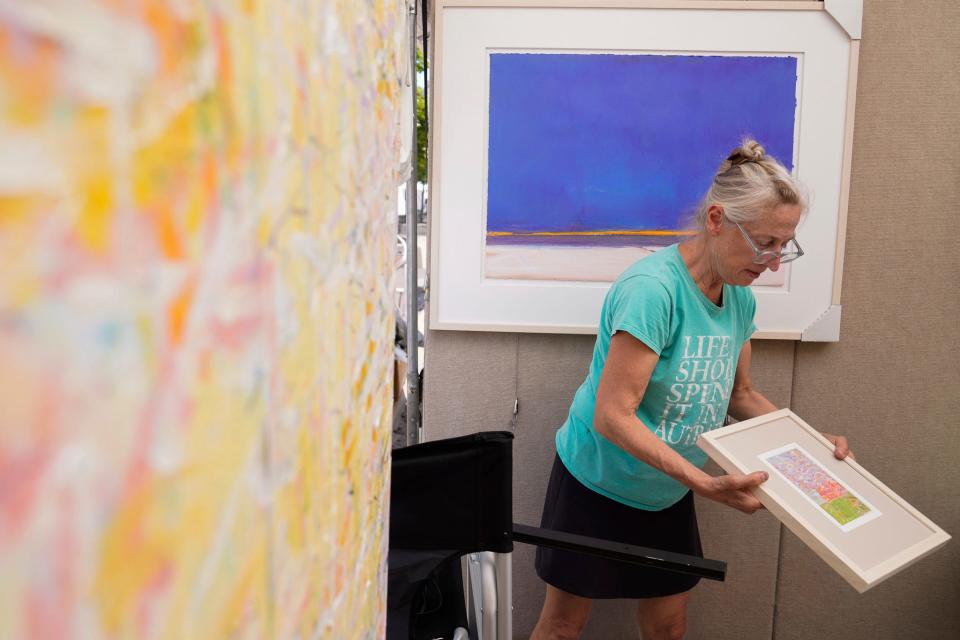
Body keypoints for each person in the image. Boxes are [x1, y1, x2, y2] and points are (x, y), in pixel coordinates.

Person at [530, 140, 852, 640]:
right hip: (597, 481)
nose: (774, 263)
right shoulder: (652, 292)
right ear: (718, 219)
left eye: (784, 245)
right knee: (564, 627)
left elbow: (740, 393)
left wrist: (813, 447)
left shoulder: (739, 298)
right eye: (766, 243)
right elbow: (613, 415)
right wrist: (705, 484)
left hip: (667, 490)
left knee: (669, 626)